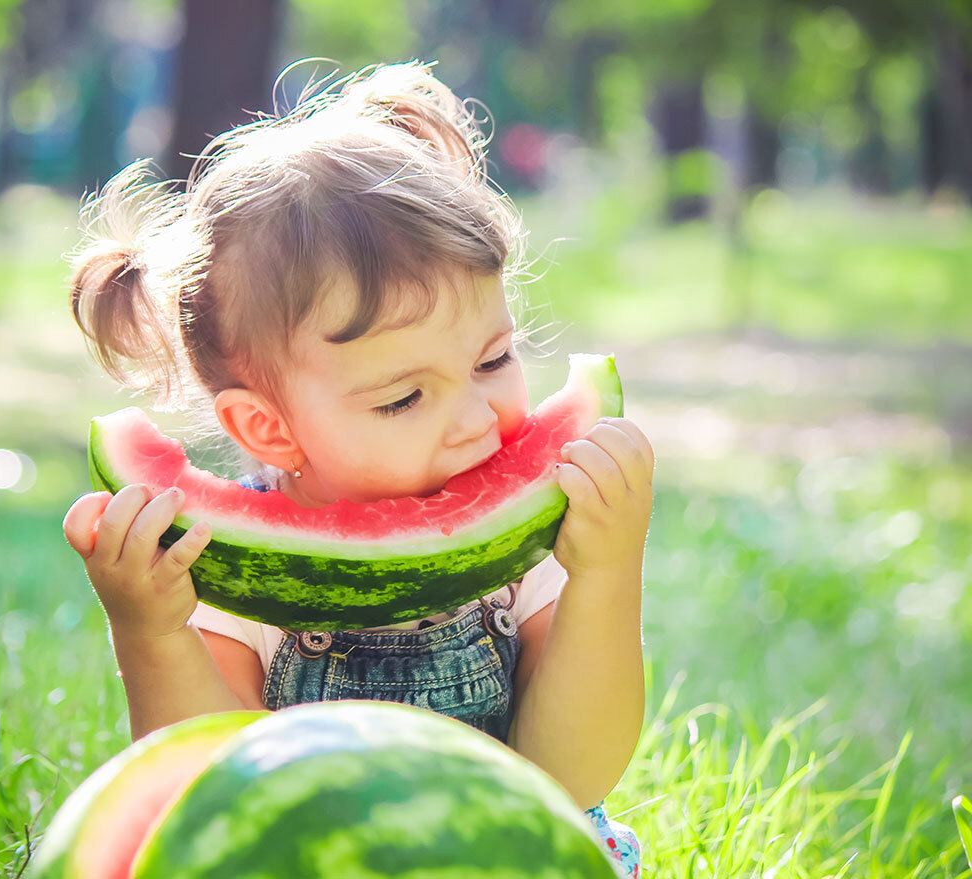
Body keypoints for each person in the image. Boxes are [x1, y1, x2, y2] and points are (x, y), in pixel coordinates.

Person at [61, 59, 651, 876]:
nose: (479, 418)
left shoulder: (531, 546)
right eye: (405, 398)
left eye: (494, 359)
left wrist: (608, 571)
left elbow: (570, 776)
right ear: (268, 428)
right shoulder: (231, 577)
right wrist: (151, 630)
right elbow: (210, 793)